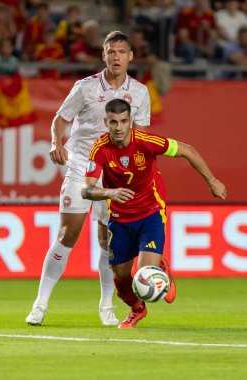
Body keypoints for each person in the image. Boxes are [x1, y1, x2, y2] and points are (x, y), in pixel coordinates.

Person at [25, 30, 153, 327]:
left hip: (116, 171)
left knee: (108, 242)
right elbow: (60, 119)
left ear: (131, 56)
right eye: (111, 51)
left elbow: (142, 138)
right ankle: (40, 304)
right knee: (67, 235)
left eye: (122, 51)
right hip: (82, 165)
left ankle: (106, 307)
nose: (116, 57)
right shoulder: (85, 88)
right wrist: (57, 143)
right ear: (104, 55)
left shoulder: (140, 92)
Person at [81, 99, 226, 329]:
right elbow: (86, 189)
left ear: (131, 122)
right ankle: (137, 309)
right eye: (113, 122)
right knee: (121, 280)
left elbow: (187, 150)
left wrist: (212, 180)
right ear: (105, 122)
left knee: (145, 276)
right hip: (119, 219)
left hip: (150, 212)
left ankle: (159, 268)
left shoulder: (146, 142)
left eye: (124, 121)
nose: (119, 127)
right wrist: (111, 192)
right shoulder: (100, 148)